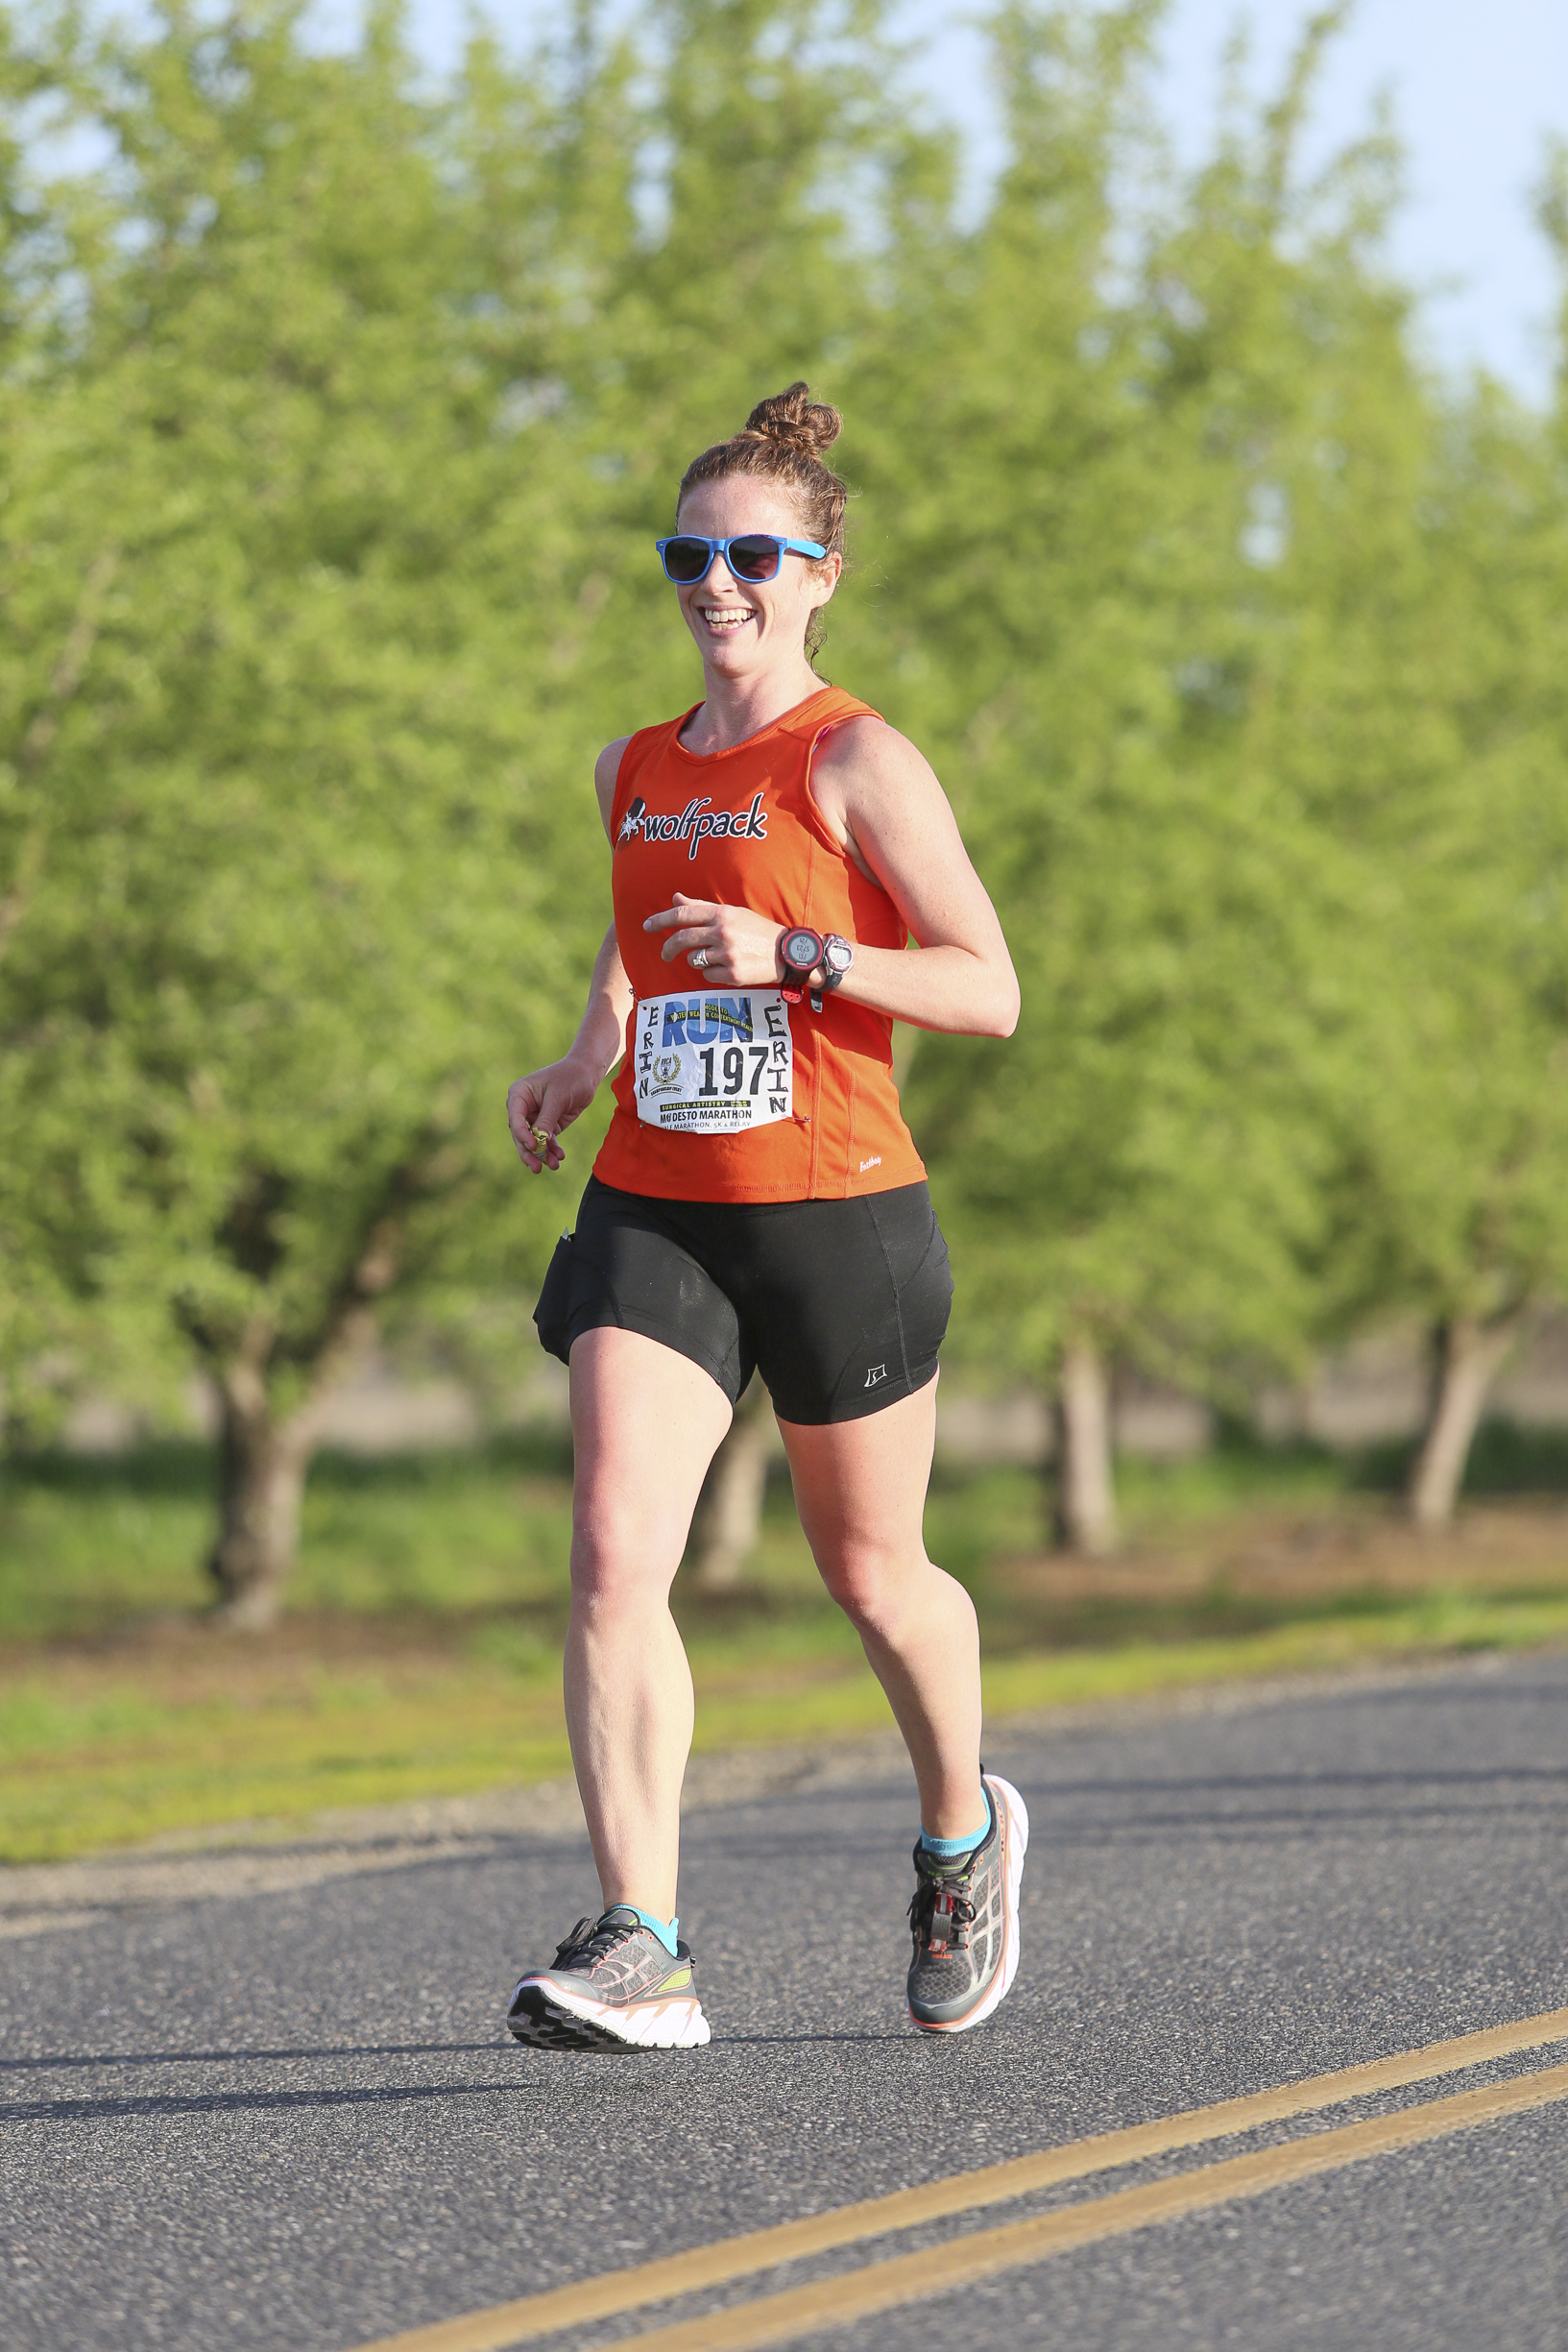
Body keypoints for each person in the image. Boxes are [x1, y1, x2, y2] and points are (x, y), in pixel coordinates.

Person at [503, 383, 1025, 2051]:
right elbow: (639, 934)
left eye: (750, 556)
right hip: (657, 1197)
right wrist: (588, 1051)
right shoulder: (633, 768)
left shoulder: (858, 758)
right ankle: (640, 1938)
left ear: (816, 575)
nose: (713, 583)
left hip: (835, 1208)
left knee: (871, 1573)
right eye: (688, 554)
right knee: (606, 1552)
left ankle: (961, 1836)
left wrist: (803, 954)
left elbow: (987, 987)